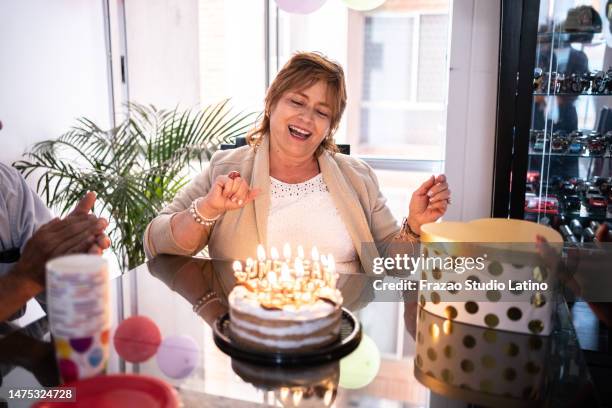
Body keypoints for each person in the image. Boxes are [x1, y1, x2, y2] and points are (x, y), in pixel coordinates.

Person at [144, 52, 450, 272]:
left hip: (336, 331)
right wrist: (208, 209)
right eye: (297, 101)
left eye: (321, 111)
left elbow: (392, 266)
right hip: (253, 331)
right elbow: (156, 242)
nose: (306, 118)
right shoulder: (226, 168)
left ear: (330, 125)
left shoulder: (359, 177)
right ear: (271, 102)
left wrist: (416, 225)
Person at [0, 162, 111, 322]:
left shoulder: (6, 184)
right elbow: (31, 274)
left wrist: (69, 266)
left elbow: (49, 262)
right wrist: (23, 280)